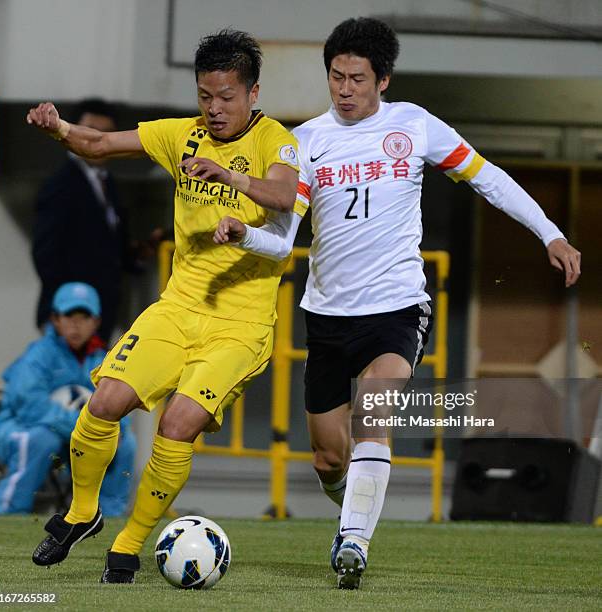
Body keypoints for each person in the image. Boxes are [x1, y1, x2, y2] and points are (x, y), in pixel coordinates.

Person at [213, 17, 582, 589]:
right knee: (328, 460)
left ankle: (353, 544)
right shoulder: (304, 142)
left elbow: (489, 178)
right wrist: (245, 236)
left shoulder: (415, 126)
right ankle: (351, 508)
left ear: (383, 80)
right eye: (336, 77)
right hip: (328, 314)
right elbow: (284, 242)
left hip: (396, 306)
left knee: (376, 405)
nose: (344, 89)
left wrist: (550, 233)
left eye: (357, 78)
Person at [26, 29, 300, 583]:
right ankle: (83, 512)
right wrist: (59, 130)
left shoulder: (279, 140)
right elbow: (100, 146)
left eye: (226, 96)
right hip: (176, 307)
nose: (214, 108)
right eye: (205, 95)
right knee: (104, 401)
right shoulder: (182, 134)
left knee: (177, 424)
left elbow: (285, 196)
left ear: (252, 92)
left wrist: (228, 176)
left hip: (239, 325)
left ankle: (128, 545)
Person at [0, 282, 135, 516]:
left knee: (125, 443)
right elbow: (30, 406)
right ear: (56, 320)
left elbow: (121, 403)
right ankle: (9, 513)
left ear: (96, 322)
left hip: (70, 437)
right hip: (18, 428)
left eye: (84, 316)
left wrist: (116, 430)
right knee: (40, 439)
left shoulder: (104, 360)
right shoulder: (39, 355)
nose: (76, 324)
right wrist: (82, 427)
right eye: (69, 316)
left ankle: (109, 518)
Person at [32, 98, 156, 342]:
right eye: (89, 131)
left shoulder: (106, 182)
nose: (96, 139)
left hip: (100, 313)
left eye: (106, 133)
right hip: (71, 316)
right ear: (73, 133)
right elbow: (45, 255)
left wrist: (137, 254)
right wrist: (69, 311)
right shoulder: (60, 186)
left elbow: (106, 247)